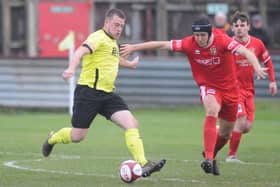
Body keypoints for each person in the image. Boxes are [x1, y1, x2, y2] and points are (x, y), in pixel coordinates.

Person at [121, 18, 267, 175]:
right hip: (209, 87)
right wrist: (135, 47)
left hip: (231, 91)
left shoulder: (222, 40)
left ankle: (210, 154)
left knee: (225, 133)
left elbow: (245, 52)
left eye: (202, 35)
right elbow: (163, 44)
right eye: (196, 35)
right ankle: (209, 159)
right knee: (212, 110)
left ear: (209, 33)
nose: (199, 39)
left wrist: (257, 66)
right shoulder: (189, 43)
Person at [41, 8, 166, 178]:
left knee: (132, 124)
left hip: (107, 95)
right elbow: (79, 52)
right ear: (106, 23)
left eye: (122, 25)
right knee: (78, 136)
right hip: (88, 93)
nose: (119, 29)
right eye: (116, 25)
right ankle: (52, 138)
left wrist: (130, 65)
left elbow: (113, 58)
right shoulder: (97, 37)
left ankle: (144, 163)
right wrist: (71, 69)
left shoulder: (112, 42)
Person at [225, 11, 277, 163]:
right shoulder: (228, 44)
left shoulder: (257, 44)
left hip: (249, 90)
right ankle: (231, 155)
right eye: (236, 26)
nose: (240, 28)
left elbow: (267, 62)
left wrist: (272, 81)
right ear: (232, 28)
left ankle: (222, 130)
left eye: (243, 25)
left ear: (248, 27)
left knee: (246, 127)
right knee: (241, 121)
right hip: (233, 90)